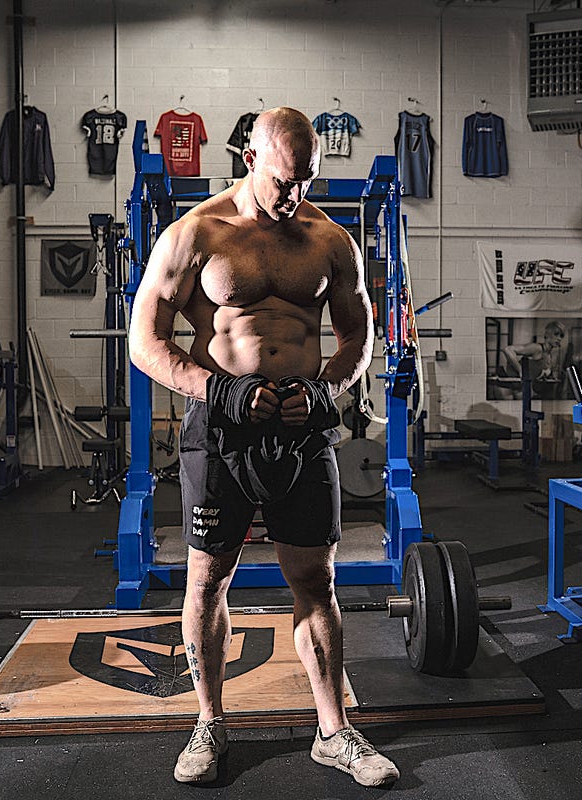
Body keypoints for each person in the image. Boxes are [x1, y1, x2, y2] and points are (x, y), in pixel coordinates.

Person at [127, 106, 399, 788]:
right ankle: (210, 723)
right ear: (250, 160)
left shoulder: (330, 241)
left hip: (301, 428)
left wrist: (327, 389)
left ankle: (333, 732)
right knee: (207, 579)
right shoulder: (196, 233)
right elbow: (145, 342)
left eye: (306, 180)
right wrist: (216, 391)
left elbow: (358, 338)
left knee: (315, 582)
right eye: (284, 180)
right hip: (221, 430)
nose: (295, 194)